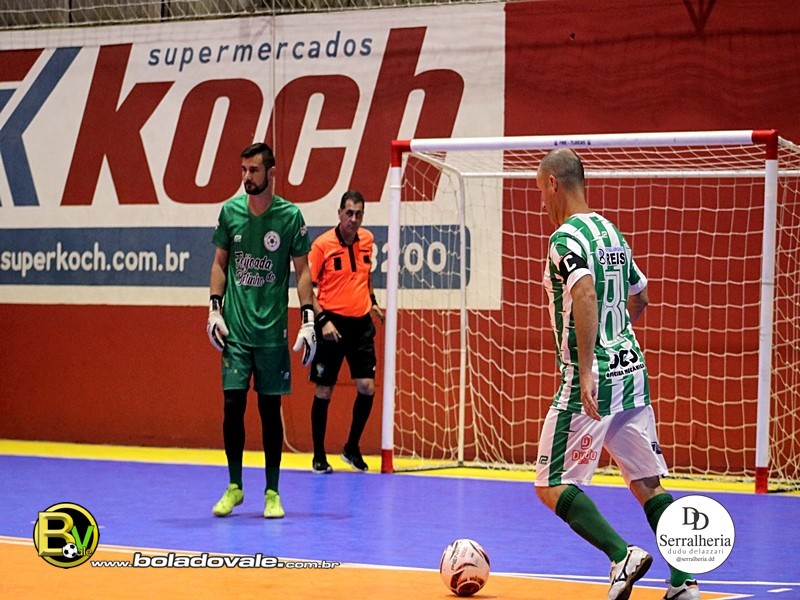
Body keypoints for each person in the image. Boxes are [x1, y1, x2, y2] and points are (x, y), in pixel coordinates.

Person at [534, 149, 699, 600]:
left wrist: (589, 366)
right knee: (646, 482)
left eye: (541, 191)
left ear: (554, 184)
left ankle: (621, 555)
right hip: (632, 371)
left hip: (592, 378)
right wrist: (615, 336)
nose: (542, 202)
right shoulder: (611, 232)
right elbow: (641, 296)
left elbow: (585, 294)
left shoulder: (565, 238)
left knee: (551, 483)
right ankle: (684, 583)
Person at [206, 142, 318, 519]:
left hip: (271, 334)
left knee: (270, 411)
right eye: (243, 170)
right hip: (236, 332)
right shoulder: (230, 213)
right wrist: (214, 308)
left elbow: (302, 271)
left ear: (271, 173)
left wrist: (308, 318)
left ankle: (272, 491)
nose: (247, 177)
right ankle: (234, 486)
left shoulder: (290, 217)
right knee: (232, 405)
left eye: (253, 170)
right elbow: (219, 264)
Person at [307, 190, 384, 474]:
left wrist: (372, 301)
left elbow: (366, 274)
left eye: (358, 214)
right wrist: (322, 320)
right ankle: (318, 455)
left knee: (367, 387)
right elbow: (306, 288)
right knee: (324, 389)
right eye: (349, 213)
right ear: (340, 213)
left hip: (361, 324)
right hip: (331, 324)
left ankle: (351, 447)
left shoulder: (368, 240)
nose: (353, 219)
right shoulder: (322, 245)